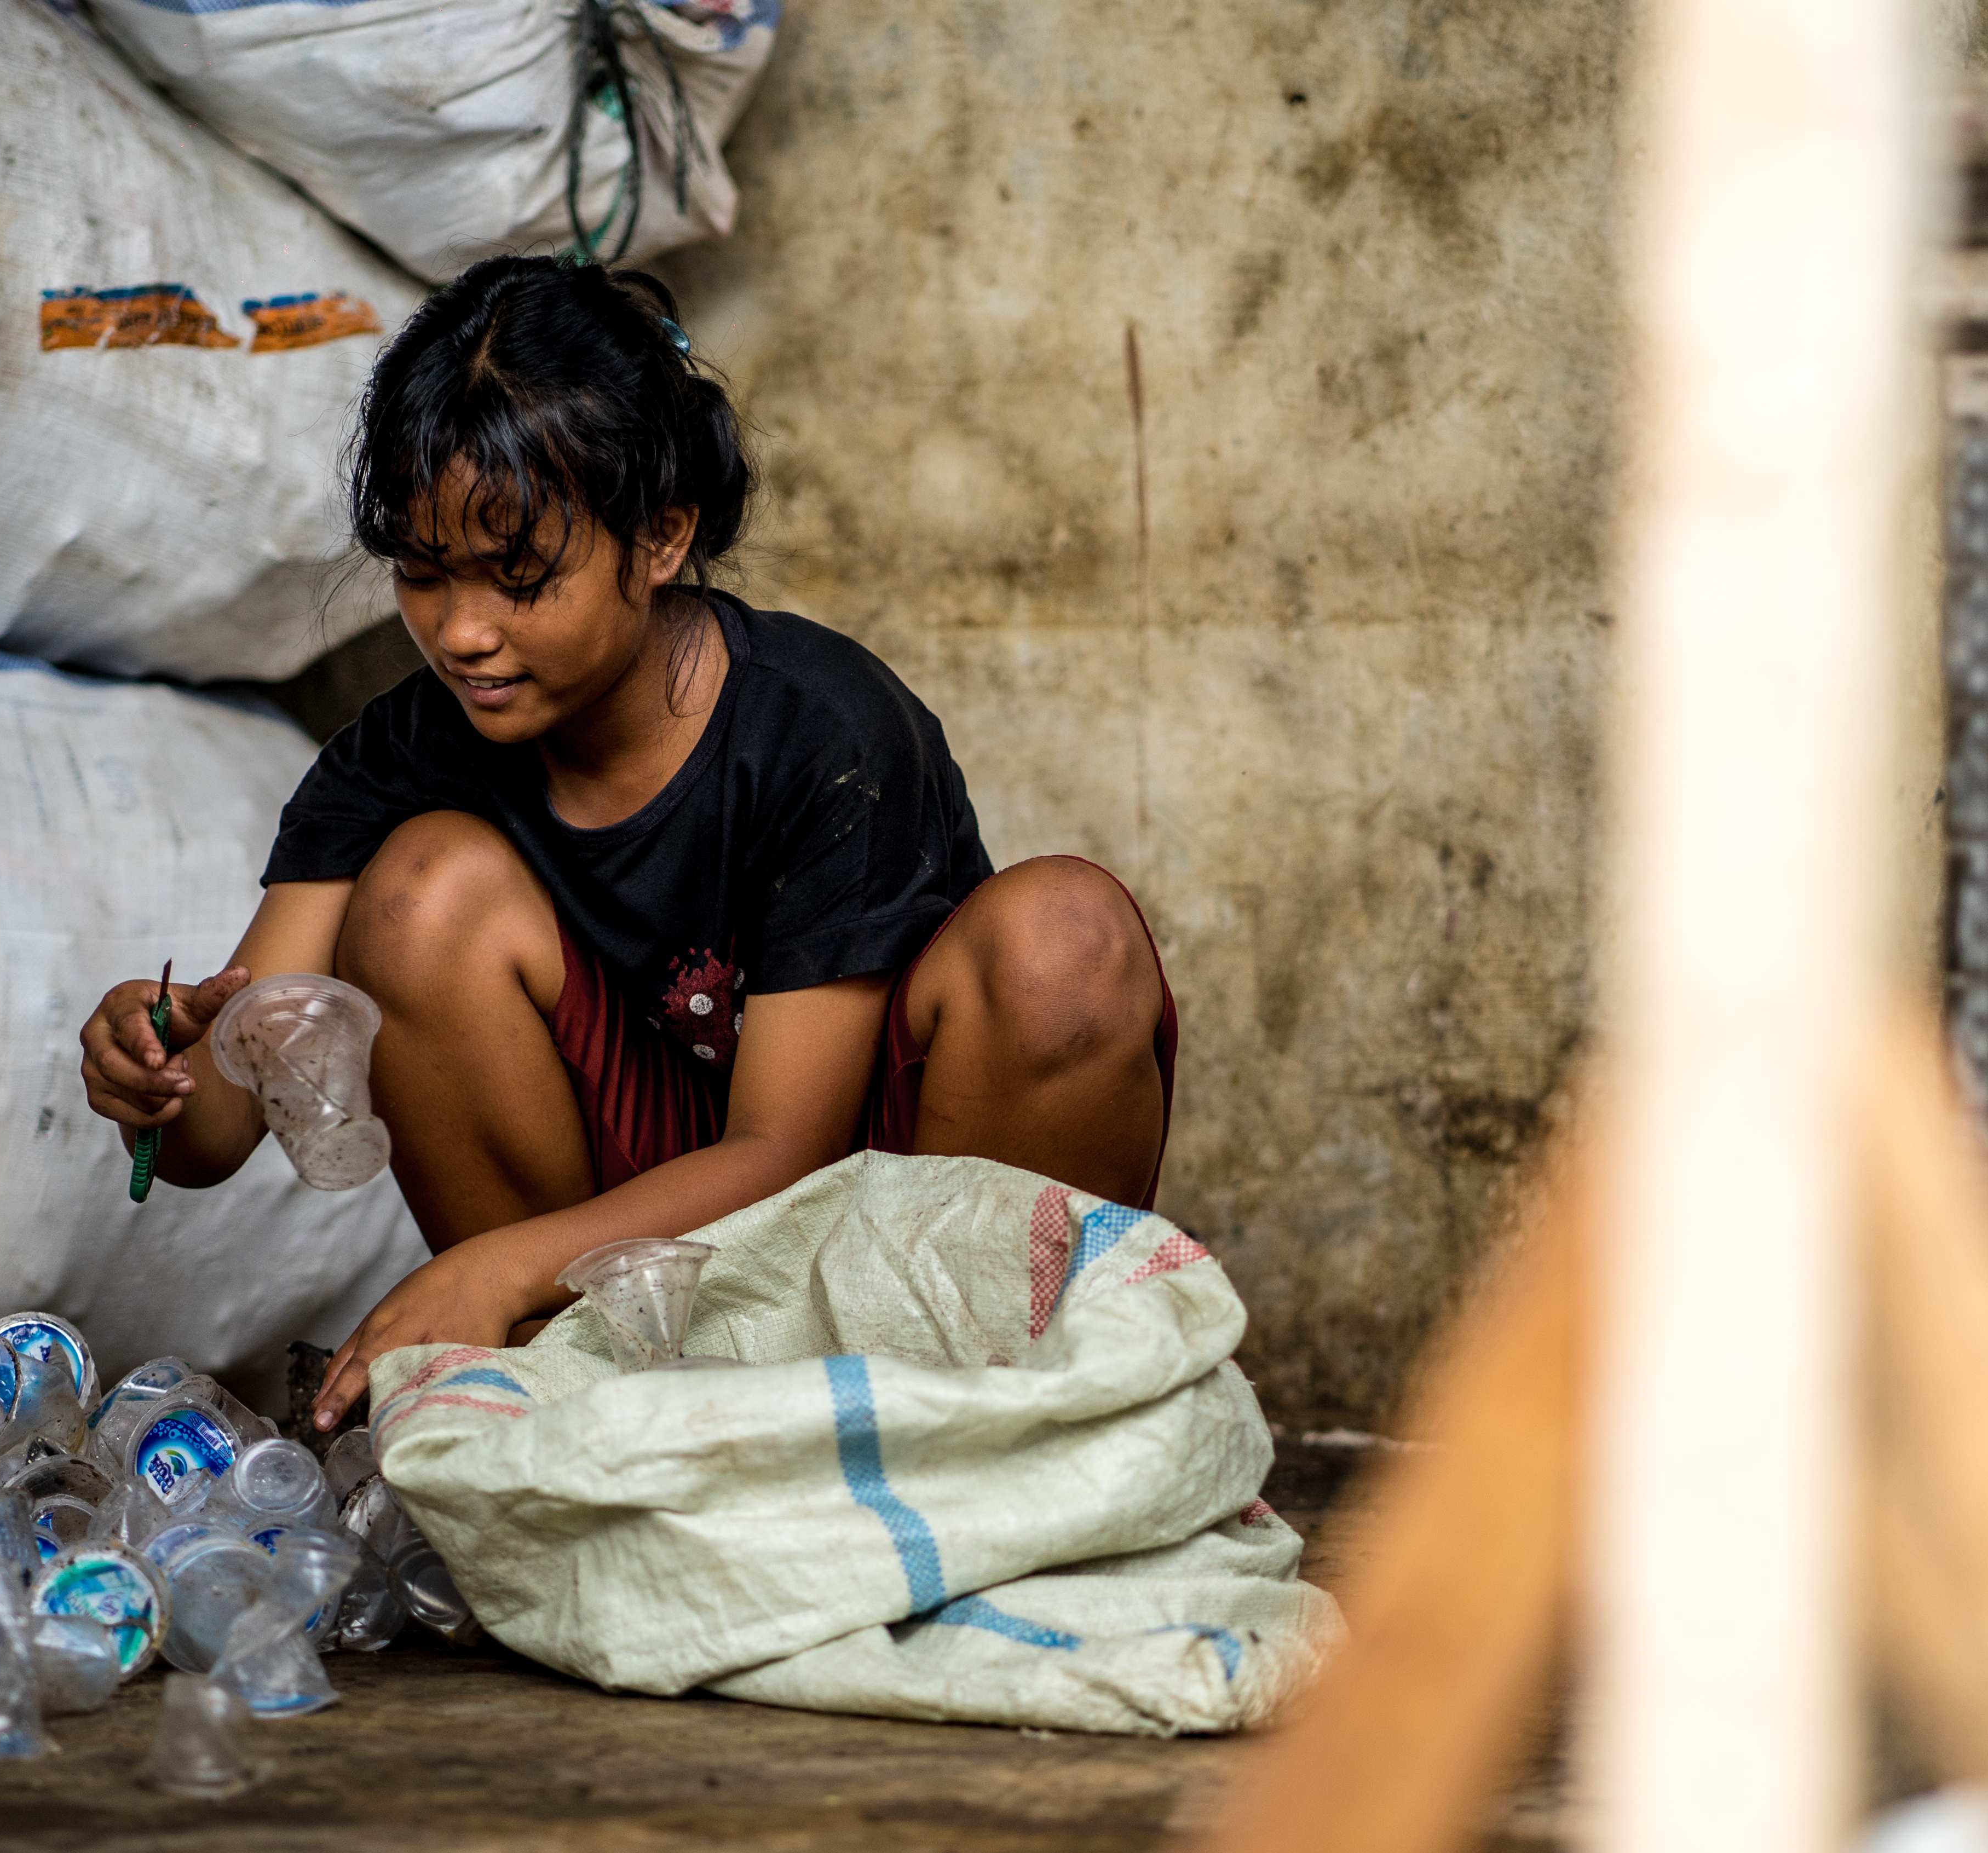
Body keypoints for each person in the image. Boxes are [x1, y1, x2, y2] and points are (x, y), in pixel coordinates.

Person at [78, 256, 1178, 1428]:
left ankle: (988, 1427)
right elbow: (222, 1123)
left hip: (877, 1224)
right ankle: (593, 1410)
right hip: (620, 1286)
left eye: (520, 576)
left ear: (659, 536)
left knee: (1064, 935)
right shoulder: (397, 760)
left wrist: (495, 1269)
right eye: (420, 573)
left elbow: (784, 1153)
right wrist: (153, 1072)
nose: (461, 631)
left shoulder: (825, 732)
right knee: (417, 892)